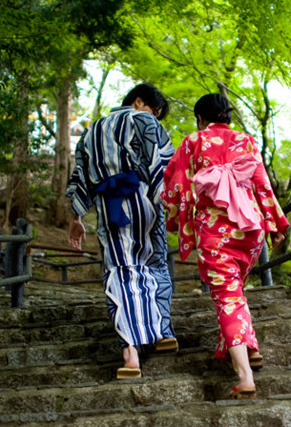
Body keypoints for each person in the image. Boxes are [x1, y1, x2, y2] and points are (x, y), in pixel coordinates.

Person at [161, 93, 289, 399]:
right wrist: (275, 222)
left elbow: (175, 183)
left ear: (201, 118)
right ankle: (249, 347)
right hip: (249, 227)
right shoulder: (245, 140)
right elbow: (261, 182)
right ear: (226, 116)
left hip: (216, 230)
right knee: (234, 291)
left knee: (227, 295)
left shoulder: (193, 142)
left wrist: (176, 218)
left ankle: (245, 377)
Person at [66, 83, 178, 380]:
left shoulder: (91, 131)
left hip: (109, 205)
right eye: (155, 110)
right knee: (153, 263)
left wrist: (77, 215)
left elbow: (80, 173)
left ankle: (130, 353)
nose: (155, 117)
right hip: (144, 198)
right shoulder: (143, 120)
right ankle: (161, 330)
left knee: (119, 269)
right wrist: (170, 203)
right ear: (139, 101)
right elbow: (162, 163)